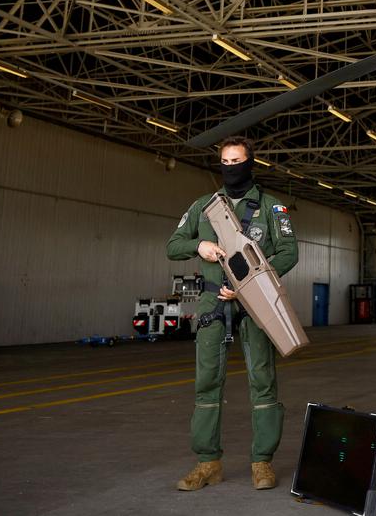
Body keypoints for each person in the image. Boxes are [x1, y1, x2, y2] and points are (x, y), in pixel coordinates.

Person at [166, 136, 299, 491]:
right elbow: (173, 246)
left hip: (254, 305)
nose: (231, 167)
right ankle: (208, 462)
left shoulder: (271, 208)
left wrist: (250, 282)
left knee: (263, 381)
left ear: (250, 162)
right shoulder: (203, 207)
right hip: (212, 306)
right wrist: (200, 245)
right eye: (224, 161)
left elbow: (289, 253)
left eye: (237, 160)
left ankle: (262, 462)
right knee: (207, 383)